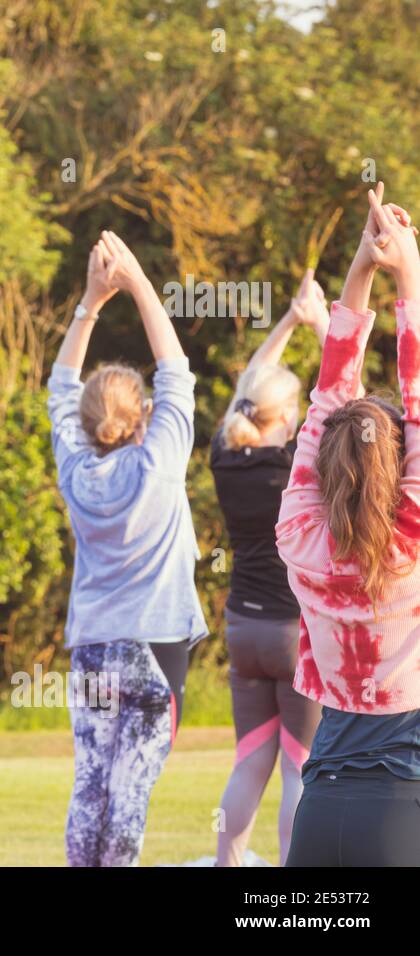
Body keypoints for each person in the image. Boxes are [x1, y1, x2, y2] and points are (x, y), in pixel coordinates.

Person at [48, 231, 208, 867]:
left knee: (90, 782)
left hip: (92, 643)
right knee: (131, 788)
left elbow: (61, 387)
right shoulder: (160, 463)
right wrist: (140, 285)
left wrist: (91, 301)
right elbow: (176, 372)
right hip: (157, 642)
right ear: (141, 415)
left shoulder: (74, 470)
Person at [279, 184, 420, 866]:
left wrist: (365, 267)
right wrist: (408, 270)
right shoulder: (410, 545)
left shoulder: (298, 538)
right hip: (401, 814)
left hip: (319, 814)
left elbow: (329, 396)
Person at [210, 270, 327, 867]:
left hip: (242, 630)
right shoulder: (296, 461)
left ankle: (229, 863)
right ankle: (289, 885)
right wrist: (324, 323)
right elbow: (345, 399)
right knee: (298, 765)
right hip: (292, 634)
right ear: (287, 418)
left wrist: (287, 320)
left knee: (249, 757)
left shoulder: (226, 455)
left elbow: (244, 395)